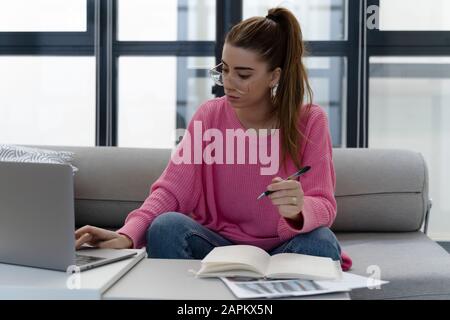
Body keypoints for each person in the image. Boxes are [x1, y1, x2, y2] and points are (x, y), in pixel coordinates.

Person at [75, 7, 352, 271]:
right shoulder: (209, 116)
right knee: (166, 227)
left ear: (274, 76)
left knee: (321, 243)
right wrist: (127, 234)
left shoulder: (310, 121)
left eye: (243, 74)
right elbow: (171, 190)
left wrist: (298, 210)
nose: (228, 82)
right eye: (225, 69)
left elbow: (324, 204)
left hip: (286, 249)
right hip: (218, 247)